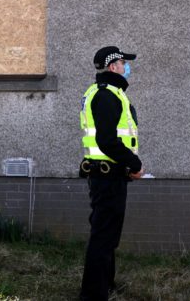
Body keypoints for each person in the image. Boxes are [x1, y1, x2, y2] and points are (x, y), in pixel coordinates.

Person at [79, 46, 144, 301]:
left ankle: (105, 285)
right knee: (103, 238)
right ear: (112, 66)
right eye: (123, 62)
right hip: (107, 176)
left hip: (110, 175)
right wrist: (135, 163)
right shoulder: (106, 95)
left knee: (107, 236)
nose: (127, 67)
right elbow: (107, 141)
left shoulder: (105, 92)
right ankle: (93, 295)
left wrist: (128, 165)